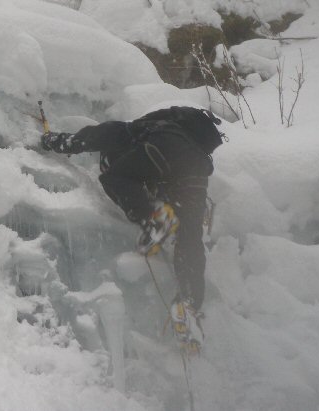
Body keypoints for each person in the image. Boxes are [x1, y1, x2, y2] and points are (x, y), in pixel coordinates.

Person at [40, 105, 224, 352]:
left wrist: (57, 142)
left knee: (115, 178)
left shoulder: (139, 129)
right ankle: (189, 304)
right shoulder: (182, 138)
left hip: (166, 149)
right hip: (196, 171)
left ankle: (154, 219)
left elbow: (98, 135)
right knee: (190, 237)